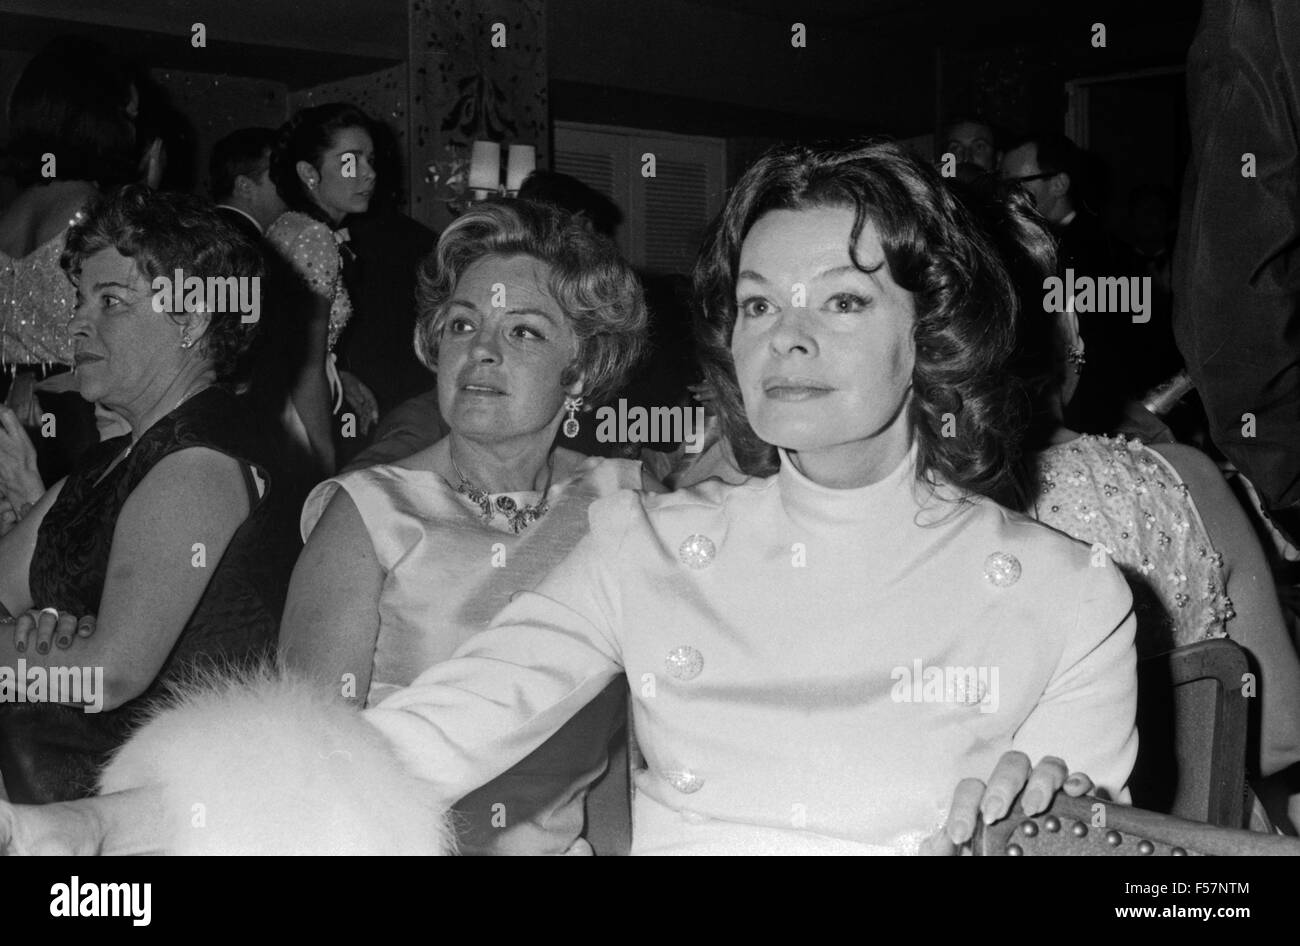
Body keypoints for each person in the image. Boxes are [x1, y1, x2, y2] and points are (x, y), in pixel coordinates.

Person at [0, 142, 1125, 855]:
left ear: (927, 332)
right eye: (757, 303)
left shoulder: (1069, 598)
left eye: (838, 302)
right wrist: (103, 824)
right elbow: (400, 746)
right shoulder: (647, 545)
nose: (786, 336)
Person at [282, 199, 655, 854]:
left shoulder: (623, 506)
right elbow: (305, 771)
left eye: (524, 332)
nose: (482, 349)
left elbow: (620, 754)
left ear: (581, 367)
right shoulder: (367, 516)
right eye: (462, 324)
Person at [973, 183, 1300, 831]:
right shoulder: (1184, 479)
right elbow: (1285, 731)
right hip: (1192, 862)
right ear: (1068, 330)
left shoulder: (911, 514)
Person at [0, 186, 299, 804]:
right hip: (67, 770)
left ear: (191, 318)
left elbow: (108, 674)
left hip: (174, 801)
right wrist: (37, 635)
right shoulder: (114, 458)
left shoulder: (204, 459)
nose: (77, 321)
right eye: (81, 299)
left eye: (111, 300)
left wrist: (40, 648)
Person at [0, 37, 139, 489]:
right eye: (128, 114)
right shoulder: (98, 211)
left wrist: (24, 376)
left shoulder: (10, 214)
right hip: (78, 410)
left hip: (11, 414)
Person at [265, 104, 377, 474]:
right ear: (309, 173)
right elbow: (304, 365)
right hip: (292, 415)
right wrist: (323, 455)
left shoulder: (289, 225)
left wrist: (339, 377)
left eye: (369, 160)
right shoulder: (314, 237)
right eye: (351, 162)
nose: (369, 174)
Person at [209, 128, 286, 242]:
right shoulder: (244, 244)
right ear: (245, 187)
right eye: (280, 177)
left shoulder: (208, 229)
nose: (290, 187)